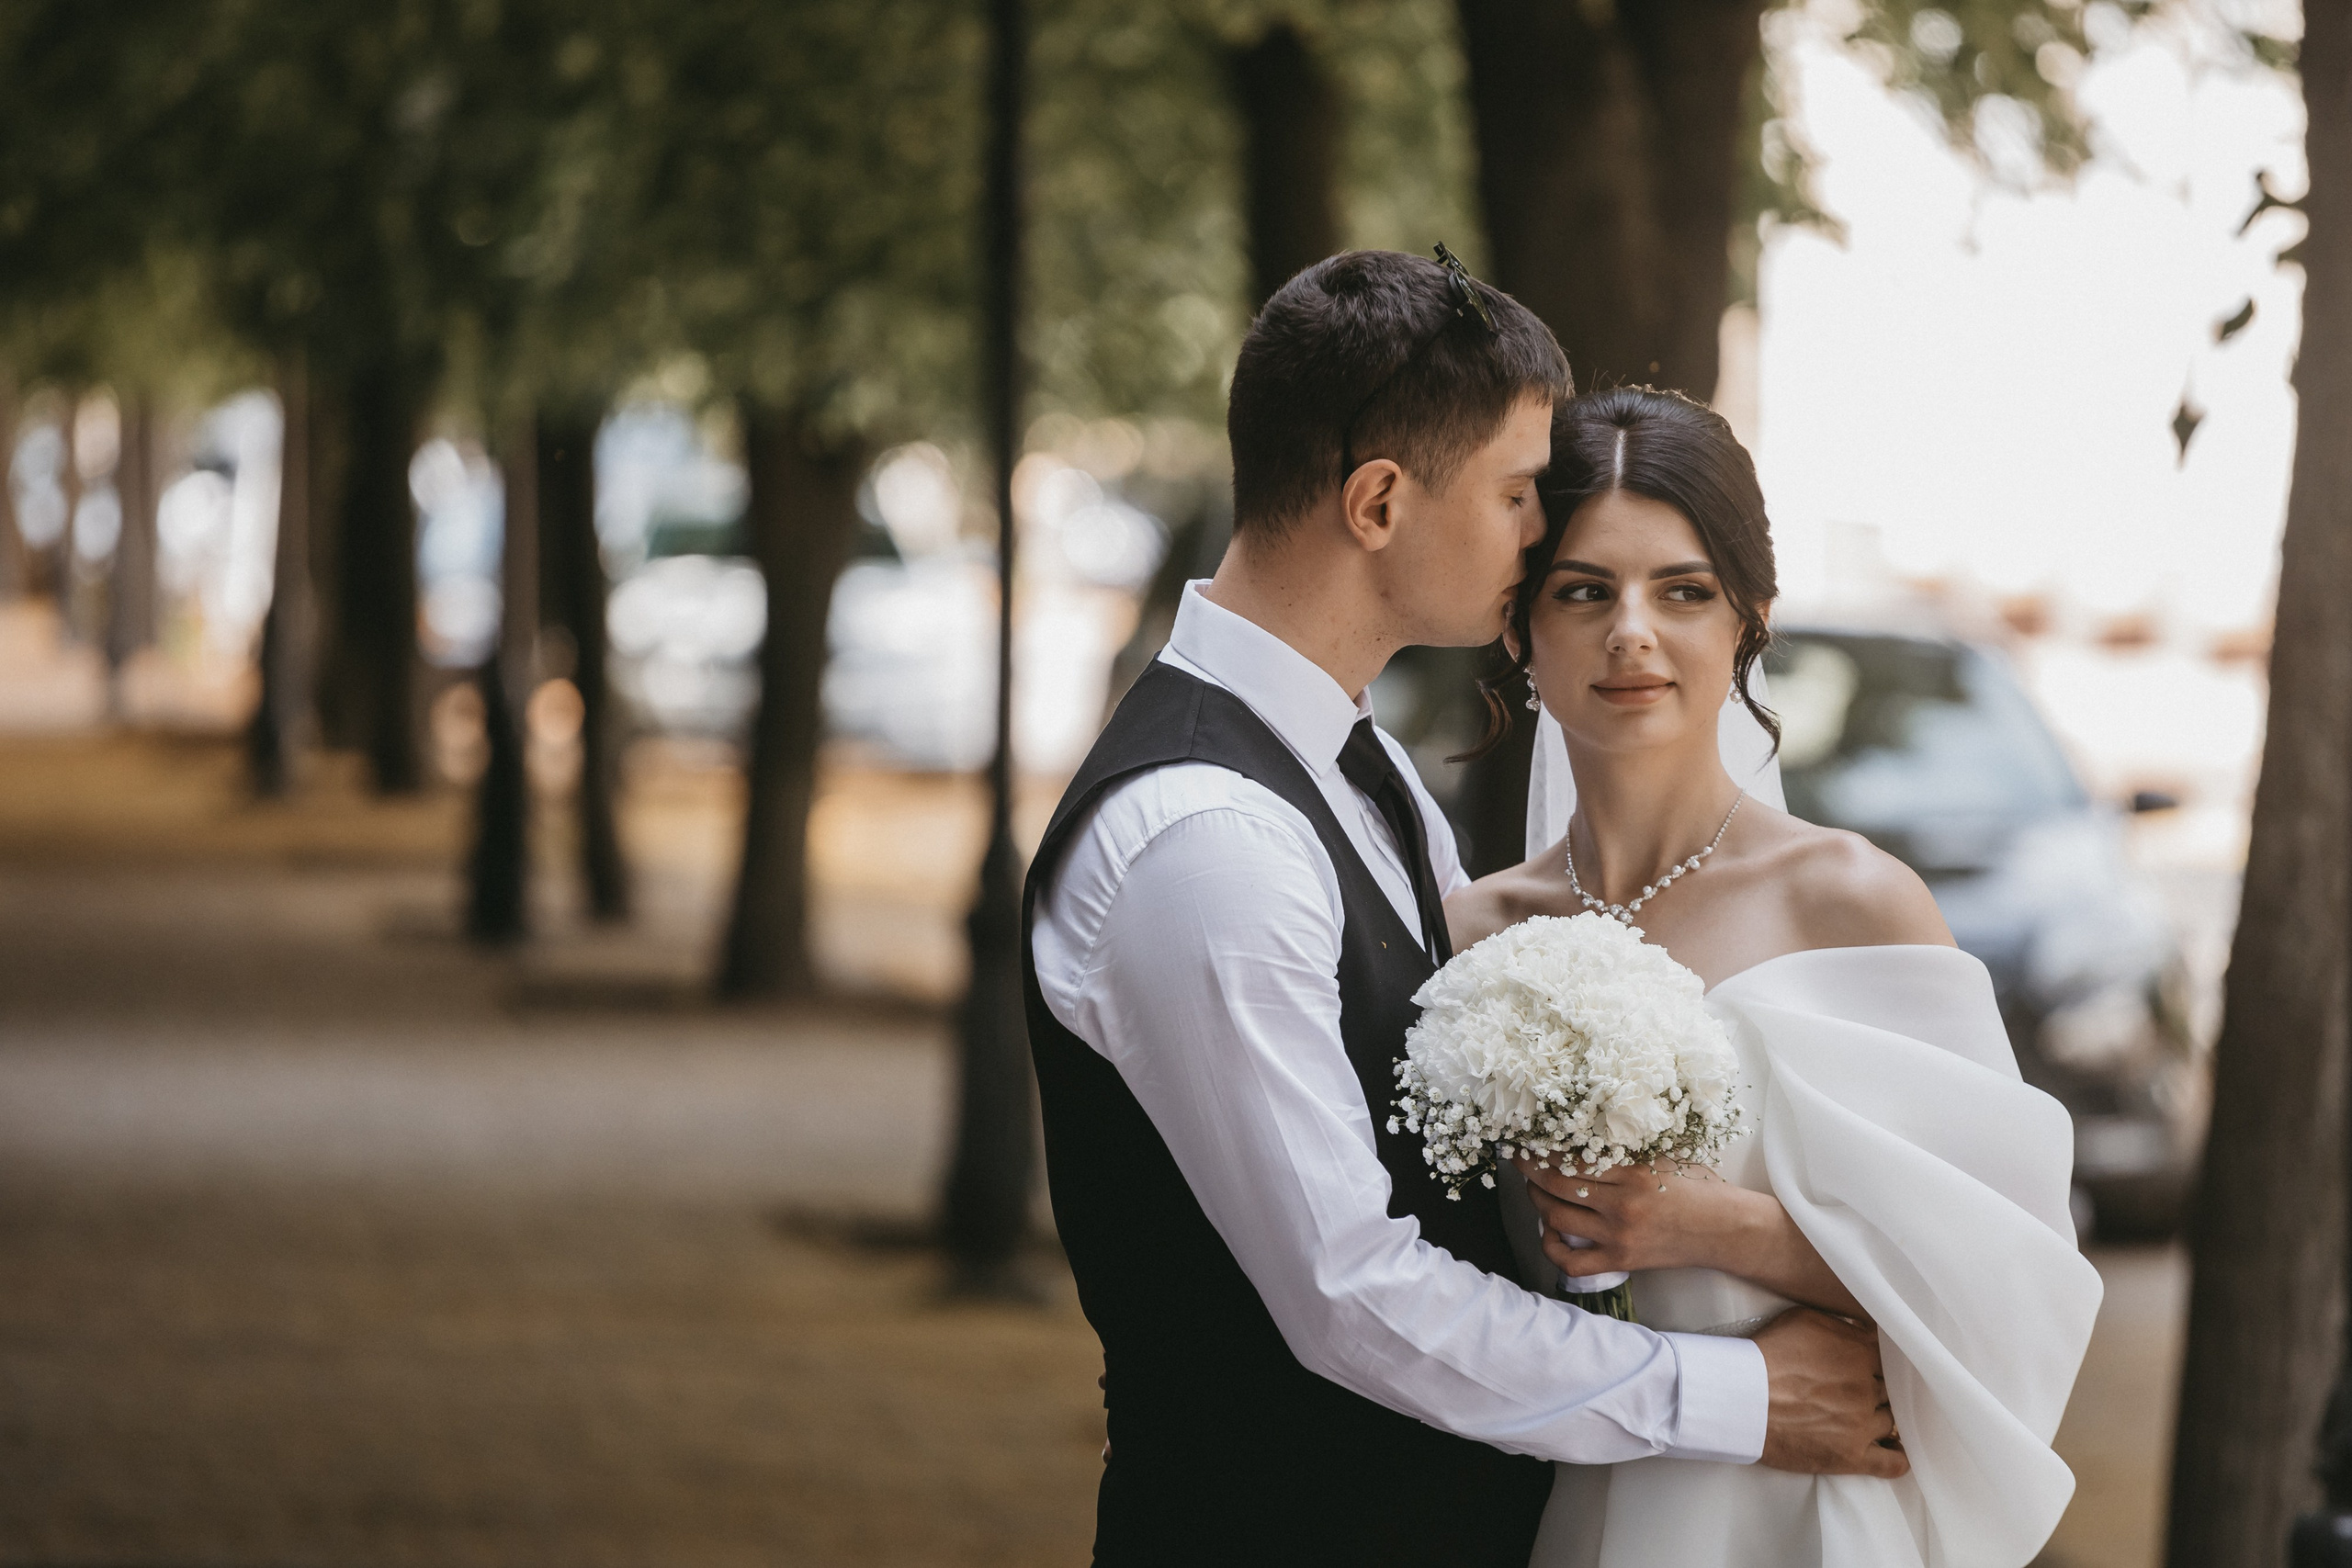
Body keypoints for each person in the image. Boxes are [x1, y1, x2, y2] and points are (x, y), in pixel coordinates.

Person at [1022, 250, 1901, 1568]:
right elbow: (1350, 1291)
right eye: (1510, 494)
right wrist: (1741, 1396)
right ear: (1378, 500)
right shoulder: (1210, 839)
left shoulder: (1363, 772)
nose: (1535, 536)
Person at [1445, 385, 2103, 1566]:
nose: (1630, 633)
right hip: (1573, 1515)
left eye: (1682, 591)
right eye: (1583, 590)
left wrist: (1713, 1226)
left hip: (1811, 1519)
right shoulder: (1474, 938)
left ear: (1749, 618)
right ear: (1518, 625)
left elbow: (2011, 1283)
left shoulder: (1853, 902)